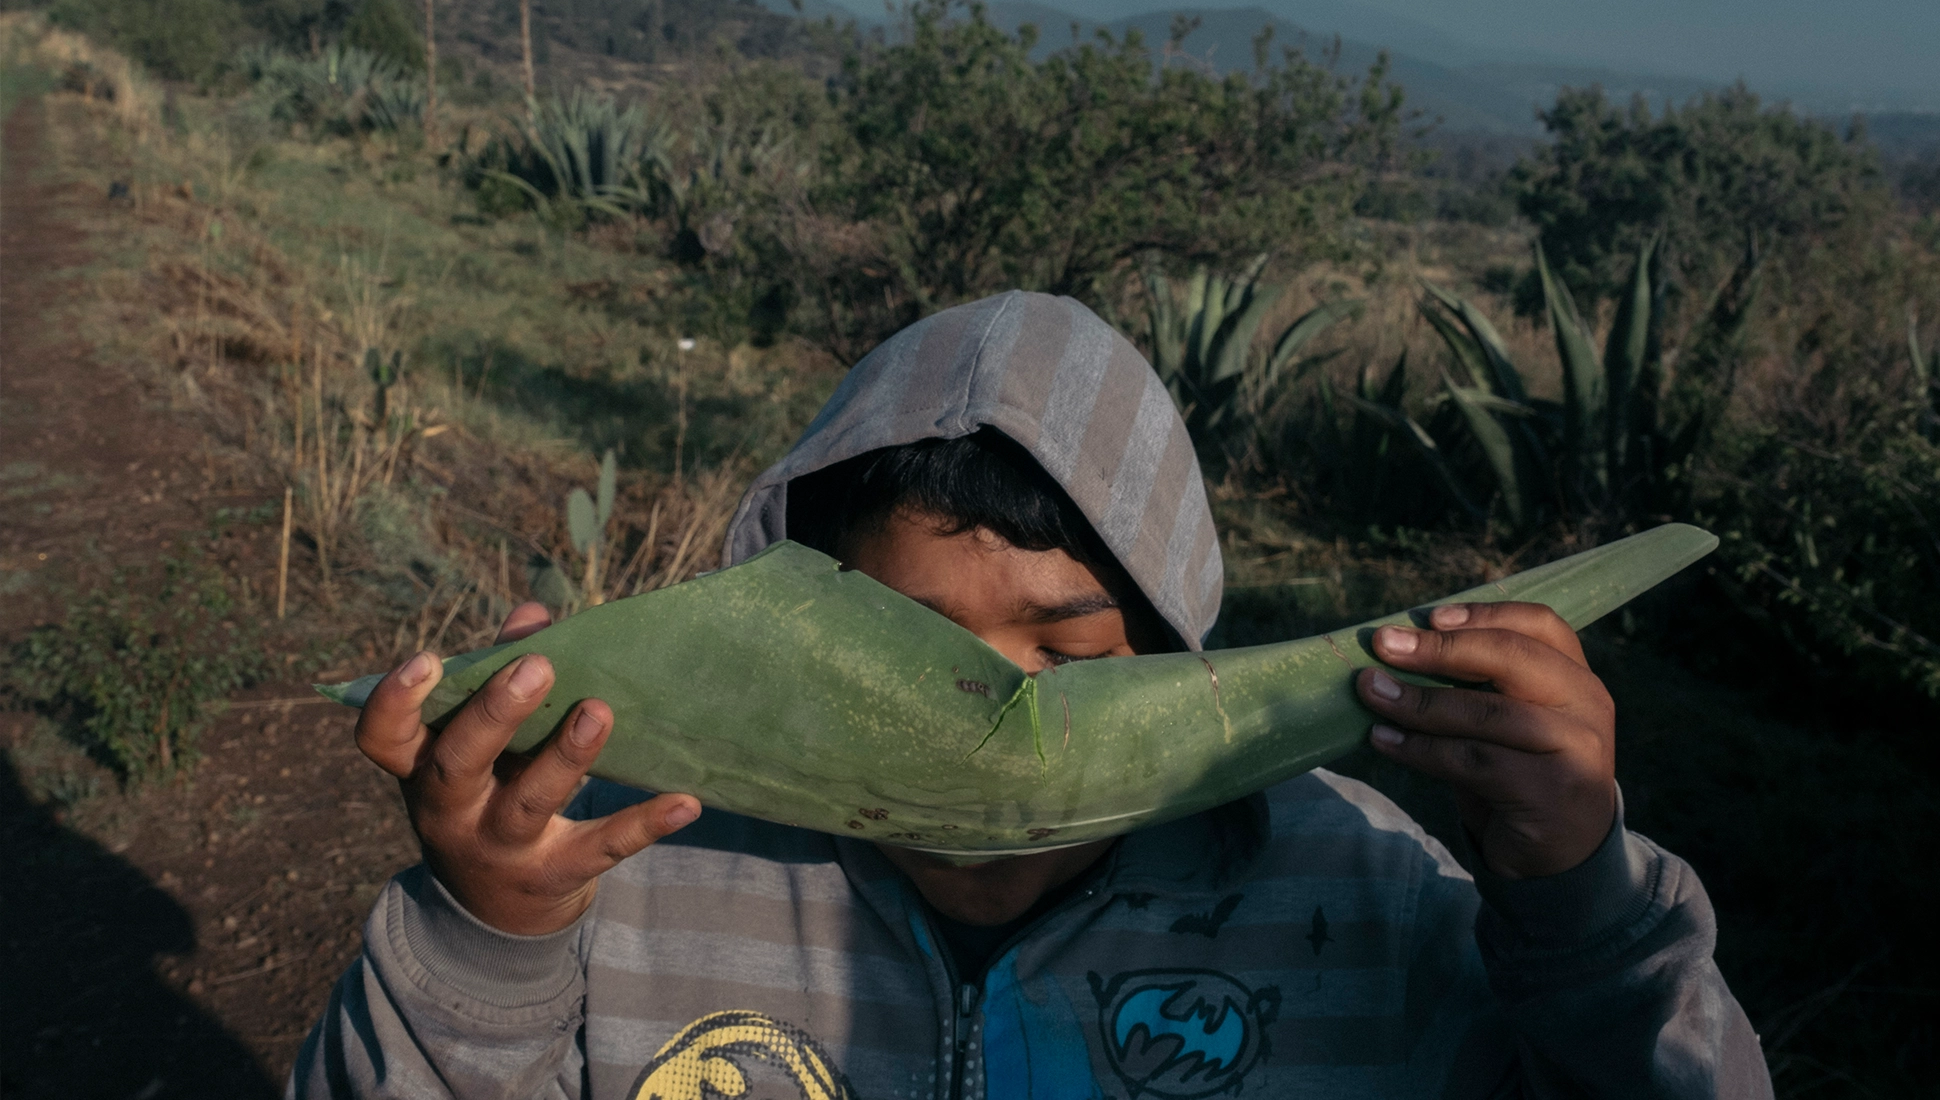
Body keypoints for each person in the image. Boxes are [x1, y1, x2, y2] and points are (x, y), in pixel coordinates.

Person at [292, 291, 1772, 1099]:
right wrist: (490, 937)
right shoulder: (638, 861)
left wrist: (1579, 912)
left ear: (1183, 648)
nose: (987, 724)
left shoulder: (1359, 901)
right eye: (897, 655)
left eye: (1068, 654)